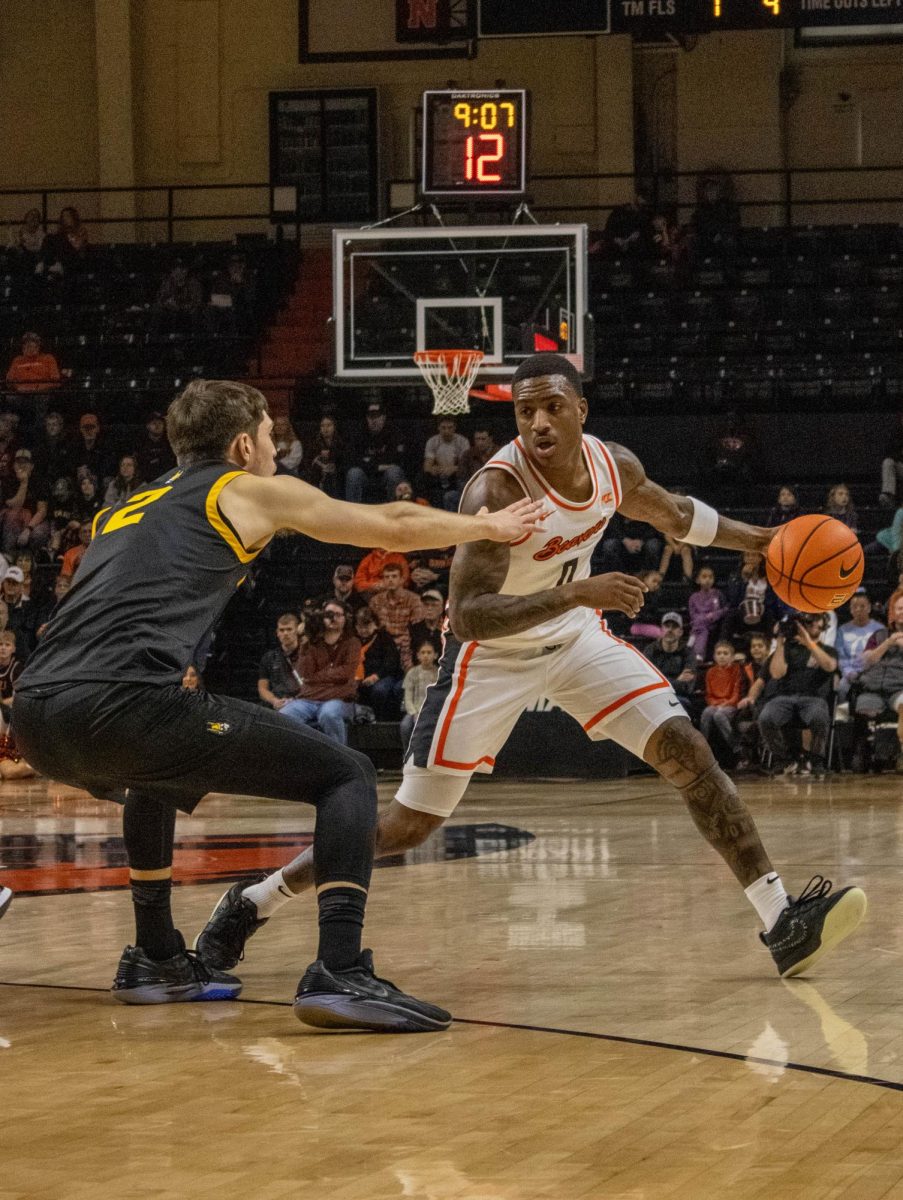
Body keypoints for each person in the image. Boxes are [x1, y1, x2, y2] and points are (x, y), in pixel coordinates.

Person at [210, 353, 865, 984]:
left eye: (553, 408)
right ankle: (257, 899)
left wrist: (761, 540)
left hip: (575, 640)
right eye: (526, 415)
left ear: (580, 409)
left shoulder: (614, 466)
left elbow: (675, 516)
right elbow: (467, 618)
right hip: (488, 660)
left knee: (688, 753)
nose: (539, 425)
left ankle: (781, 920)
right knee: (408, 825)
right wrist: (576, 592)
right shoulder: (497, 490)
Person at [13, 378, 543, 1029]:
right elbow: (392, 523)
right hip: (117, 704)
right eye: (269, 436)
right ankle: (340, 970)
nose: (275, 449)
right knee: (344, 775)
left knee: (154, 773)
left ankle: (156, 957)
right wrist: (487, 525)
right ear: (242, 444)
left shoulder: (128, 503)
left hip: (35, 712)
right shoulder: (242, 488)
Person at [758, 613, 838, 778]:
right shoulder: (788, 648)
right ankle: (784, 758)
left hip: (813, 698)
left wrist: (809, 643)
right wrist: (780, 642)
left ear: (824, 624)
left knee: (819, 717)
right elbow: (777, 673)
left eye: (816, 620)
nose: (811, 624)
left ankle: (816, 759)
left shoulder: (828, 650)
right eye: (807, 621)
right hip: (784, 697)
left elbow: (830, 666)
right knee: (766, 718)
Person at [853, 594, 903, 773]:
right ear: (893, 612)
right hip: (873, 688)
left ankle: (901, 754)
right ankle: (864, 753)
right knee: (861, 709)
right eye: (899, 608)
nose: (902, 612)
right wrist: (888, 643)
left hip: (899, 687)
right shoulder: (880, 635)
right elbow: (866, 661)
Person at [345, 400, 406, 504]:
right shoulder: (359, 434)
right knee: (354, 473)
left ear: (383, 418)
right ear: (367, 419)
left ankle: (394, 510)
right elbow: (354, 460)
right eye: (371, 417)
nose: (374, 420)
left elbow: (396, 459)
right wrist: (378, 466)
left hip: (385, 476)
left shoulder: (393, 433)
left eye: (377, 417)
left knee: (394, 472)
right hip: (367, 476)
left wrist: (370, 462)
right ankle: (353, 513)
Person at [368, 562, 424, 671]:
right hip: (383, 650)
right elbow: (373, 629)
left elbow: (417, 630)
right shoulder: (376, 601)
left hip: (407, 649)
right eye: (386, 577)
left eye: (394, 576)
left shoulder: (414, 600)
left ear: (402, 579)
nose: (390, 580)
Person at [354, 605, 403, 719]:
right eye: (360, 627)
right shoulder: (353, 640)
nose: (364, 630)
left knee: (379, 690)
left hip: (383, 676)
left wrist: (376, 676)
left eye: (367, 626)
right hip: (358, 677)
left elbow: (391, 661)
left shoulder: (384, 637)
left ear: (375, 624)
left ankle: (380, 721)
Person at [836, 592, 885, 701]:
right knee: (842, 687)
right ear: (850, 609)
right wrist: (848, 672)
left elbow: (884, 653)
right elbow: (840, 655)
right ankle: (842, 716)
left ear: (869, 608)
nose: (858, 609)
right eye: (854, 606)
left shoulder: (880, 629)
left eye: (862, 606)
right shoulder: (842, 630)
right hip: (850, 673)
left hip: (874, 672)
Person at [645, 612, 697, 714]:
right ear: (661, 630)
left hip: (679, 698)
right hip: (654, 697)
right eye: (667, 626)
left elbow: (687, 687)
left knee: (678, 705)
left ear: (680, 632)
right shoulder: (650, 650)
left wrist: (660, 684)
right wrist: (677, 681)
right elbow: (646, 682)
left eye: (674, 627)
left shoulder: (689, 654)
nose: (670, 630)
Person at [699, 640, 744, 759]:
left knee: (719, 715)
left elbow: (736, 694)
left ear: (732, 657)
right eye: (719, 653)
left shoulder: (737, 670)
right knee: (707, 712)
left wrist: (725, 704)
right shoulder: (710, 672)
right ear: (714, 656)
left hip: (731, 704)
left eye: (725, 653)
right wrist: (717, 704)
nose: (722, 656)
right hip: (716, 704)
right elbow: (709, 695)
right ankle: (703, 750)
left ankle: (737, 748)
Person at [0, 449, 49, 557]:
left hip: (34, 520)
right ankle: (9, 557)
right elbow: (15, 506)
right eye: (18, 462)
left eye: (25, 462)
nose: (21, 466)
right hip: (12, 521)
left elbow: (42, 511)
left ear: (31, 466)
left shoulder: (39, 482)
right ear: (13, 465)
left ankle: (29, 560)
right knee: (12, 517)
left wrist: (28, 529)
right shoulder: (8, 481)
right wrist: (24, 483)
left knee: (39, 533)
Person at [421, 416, 469, 511]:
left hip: (456, 476)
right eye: (443, 428)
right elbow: (427, 466)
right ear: (438, 428)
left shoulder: (463, 441)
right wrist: (437, 469)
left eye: (450, 428)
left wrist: (452, 469)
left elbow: (465, 466)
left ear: (455, 428)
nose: (446, 431)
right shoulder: (432, 441)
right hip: (438, 476)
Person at [257, 613, 304, 710]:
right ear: (277, 633)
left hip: (304, 702)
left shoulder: (309, 654)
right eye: (282, 630)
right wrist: (274, 700)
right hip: (279, 703)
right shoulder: (269, 657)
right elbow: (262, 688)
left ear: (297, 631)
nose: (285, 633)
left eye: (289, 629)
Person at [401, 640, 439, 751]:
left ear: (435, 655)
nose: (426, 655)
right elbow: (408, 696)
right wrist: (414, 713)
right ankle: (407, 753)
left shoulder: (439, 673)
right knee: (405, 726)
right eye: (423, 653)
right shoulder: (412, 673)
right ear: (418, 655)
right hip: (415, 710)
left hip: (433, 711)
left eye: (429, 652)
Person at [688, 564, 726, 663]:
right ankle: (699, 654)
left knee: (700, 627)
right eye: (704, 577)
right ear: (698, 580)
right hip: (700, 624)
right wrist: (702, 618)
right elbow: (692, 614)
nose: (708, 579)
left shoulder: (717, 594)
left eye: (710, 577)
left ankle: (694, 645)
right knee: (702, 628)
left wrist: (713, 615)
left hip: (713, 622)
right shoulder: (693, 597)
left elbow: (724, 609)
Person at [5, 333, 62, 397]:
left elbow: (56, 381)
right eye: (26, 344)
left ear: (38, 346)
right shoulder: (17, 360)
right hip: (20, 393)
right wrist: (19, 387)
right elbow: (9, 381)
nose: (30, 347)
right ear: (23, 347)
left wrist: (39, 388)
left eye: (33, 344)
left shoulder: (48, 358)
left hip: (42, 393)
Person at [135, 412, 177, 483]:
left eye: (160, 423)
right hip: (149, 482)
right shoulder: (141, 444)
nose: (157, 426)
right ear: (148, 426)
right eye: (154, 423)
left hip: (170, 480)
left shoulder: (171, 441)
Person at [409, 589, 445, 659]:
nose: (429, 608)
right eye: (426, 605)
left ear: (441, 609)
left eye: (434, 605)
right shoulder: (414, 629)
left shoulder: (446, 630)